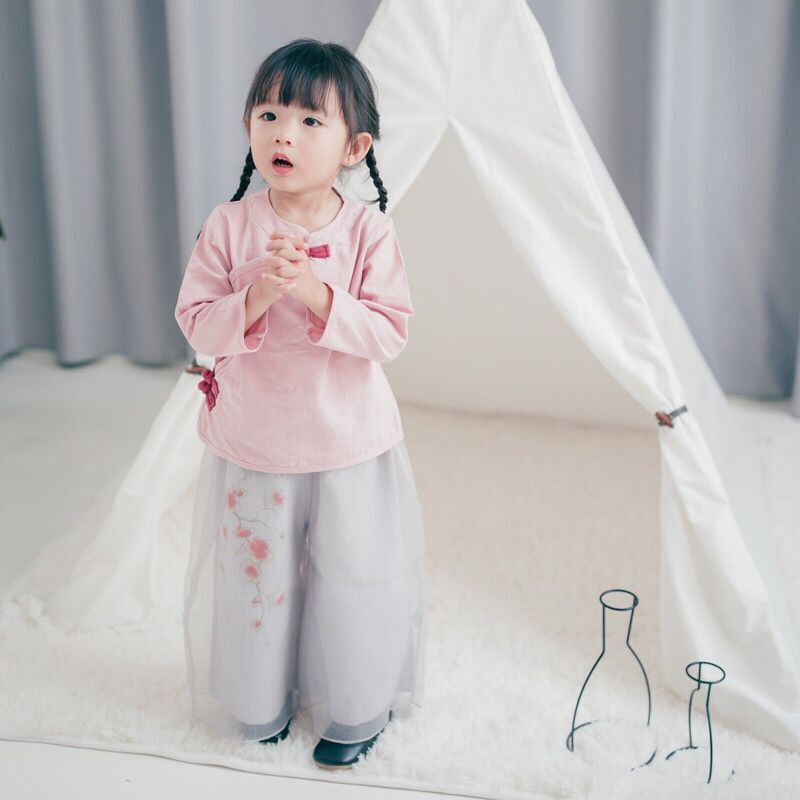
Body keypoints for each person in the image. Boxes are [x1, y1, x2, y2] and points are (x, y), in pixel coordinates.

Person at [173, 38, 426, 771]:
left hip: (349, 441)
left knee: (351, 575)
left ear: (355, 147)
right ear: (250, 127)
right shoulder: (229, 225)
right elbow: (196, 321)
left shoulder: (369, 231)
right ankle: (259, 700)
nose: (284, 133)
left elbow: (390, 332)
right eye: (270, 114)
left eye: (311, 121)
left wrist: (315, 293)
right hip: (257, 440)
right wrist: (257, 293)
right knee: (258, 576)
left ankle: (354, 704)